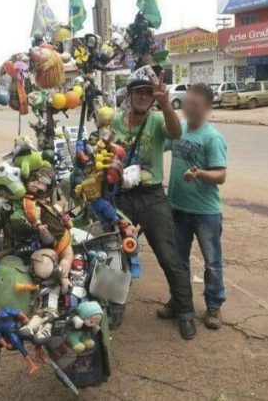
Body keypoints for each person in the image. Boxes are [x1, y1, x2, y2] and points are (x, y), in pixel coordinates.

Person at [112, 65, 196, 339]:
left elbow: (176, 133)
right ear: (129, 94)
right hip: (121, 197)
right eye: (139, 92)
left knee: (169, 256)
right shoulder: (114, 120)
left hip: (152, 197)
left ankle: (185, 311)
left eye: (149, 92)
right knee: (117, 255)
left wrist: (165, 102)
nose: (144, 96)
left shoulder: (158, 119)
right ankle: (115, 306)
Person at [165, 83, 227, 330]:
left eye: (194, 105)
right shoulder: (178, 128)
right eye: (187, 102)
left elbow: (221, 175)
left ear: (207, 108)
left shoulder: (213, 138)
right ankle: (179, 300)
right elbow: (162, 144)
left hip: (206, 213)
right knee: (178, 260)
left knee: (212, 261)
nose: (188, 108)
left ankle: (214, 305)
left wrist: (200, 173)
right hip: (177, 208)